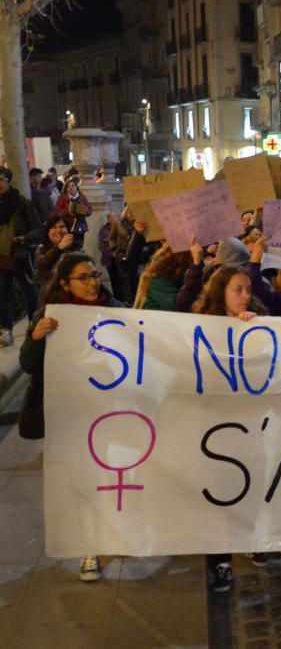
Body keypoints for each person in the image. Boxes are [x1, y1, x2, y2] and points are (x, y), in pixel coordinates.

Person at [19, 252, 123, 580]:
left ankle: (113, 532)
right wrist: (37, 340)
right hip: (71, 416)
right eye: (84, 277)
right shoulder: (48, 318)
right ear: (65, 283)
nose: (93, 283)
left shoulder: (115, 310)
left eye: (94, 275)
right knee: (82, 479)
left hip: (108, 413)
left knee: (109, 476)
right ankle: (88, 549)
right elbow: (28, 365)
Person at [191, 265, 269, 591]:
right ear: (220, 291)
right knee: (221, 491)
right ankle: (221, 559)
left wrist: (260, 331)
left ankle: (249, 536)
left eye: (248, 289)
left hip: (250, 422)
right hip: (215, 425)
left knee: (251, 481)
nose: (246, 296)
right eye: (238, 289)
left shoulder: (256, 320)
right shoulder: (200, 326)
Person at [0, 167, 41, 347]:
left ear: (8, 181)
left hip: (19, 254)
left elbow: (38, 228)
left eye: (1, 179)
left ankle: (34, 327)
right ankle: (6, 330)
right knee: (2, 293)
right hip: (1, 257)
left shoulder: (21, 203)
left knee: (30, 292)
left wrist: (25, 238)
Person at [53, 176, 92, 249]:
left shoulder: (81, 197)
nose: (71, 188)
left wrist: (83, 210)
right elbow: (57, 211)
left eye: (73, 186)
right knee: (69, 245)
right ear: (66, 188)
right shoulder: (62, 198)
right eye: (68, 186)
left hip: (80, 225)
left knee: (80, 245)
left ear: (76, 187)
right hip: (68, 225)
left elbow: (89, 209)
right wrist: (68, 210)